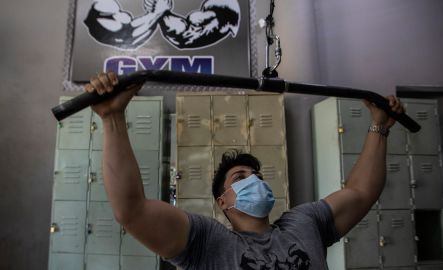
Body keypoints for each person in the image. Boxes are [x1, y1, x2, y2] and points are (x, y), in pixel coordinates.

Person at [85, 71, 405, 269]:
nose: (254, 180)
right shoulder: (208, 244)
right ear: (223, 201)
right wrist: (113, 118)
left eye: (257, 176)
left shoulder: (304, 224)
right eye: (240, 178)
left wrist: (379, 127)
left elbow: (362, 193)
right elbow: (132, 211)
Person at [84, 0, 240, 50]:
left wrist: (158, 12)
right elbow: (127, 35)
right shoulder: (100, 12)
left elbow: (185, 37)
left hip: (225, 12)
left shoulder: (221, 11)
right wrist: (158, 12)